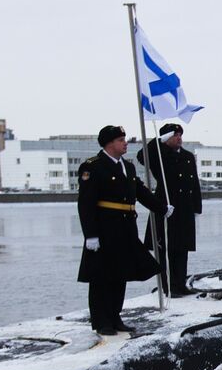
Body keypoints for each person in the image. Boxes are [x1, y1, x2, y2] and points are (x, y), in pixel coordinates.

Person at [77, 125, 169, 336]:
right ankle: (102, 321)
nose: (125, 143)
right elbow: (86, 204)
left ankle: (115, 316)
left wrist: (162, 208)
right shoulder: (93, 167)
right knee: (101, 277)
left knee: (120, 274)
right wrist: (90, 235)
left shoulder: (128, 167)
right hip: (104, 230)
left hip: (125, 228)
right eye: (121, 140)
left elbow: (140, 192)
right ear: (109, 143)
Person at [136, 122, 202, 296]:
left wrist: (196, 207)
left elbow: (194, 182)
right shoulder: (160, 154)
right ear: (166, 139)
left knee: (182, 248)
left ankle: (180, 284)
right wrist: (158, 141)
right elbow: (142, 156)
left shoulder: (187, 156)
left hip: (185, 208)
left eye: (180, 135)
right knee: (166, 248)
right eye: (174, 135)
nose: (179, 138)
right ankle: (168, 286)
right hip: (166, 206)